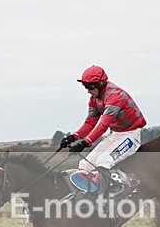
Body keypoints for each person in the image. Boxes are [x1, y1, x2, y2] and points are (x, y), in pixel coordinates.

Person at [61, 65, 146, 196]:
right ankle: (87, 196)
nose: (88, 91)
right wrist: (73, 137)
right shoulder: (94, 99)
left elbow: (103, 126)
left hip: (130, 136)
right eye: (85, 86)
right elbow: (90, 123)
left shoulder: (115, 96)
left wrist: (84, 143)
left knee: (104, 161)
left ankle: (105, 198)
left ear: (100, 83)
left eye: (90, 87)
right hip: (115, 135)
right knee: (85, 165)